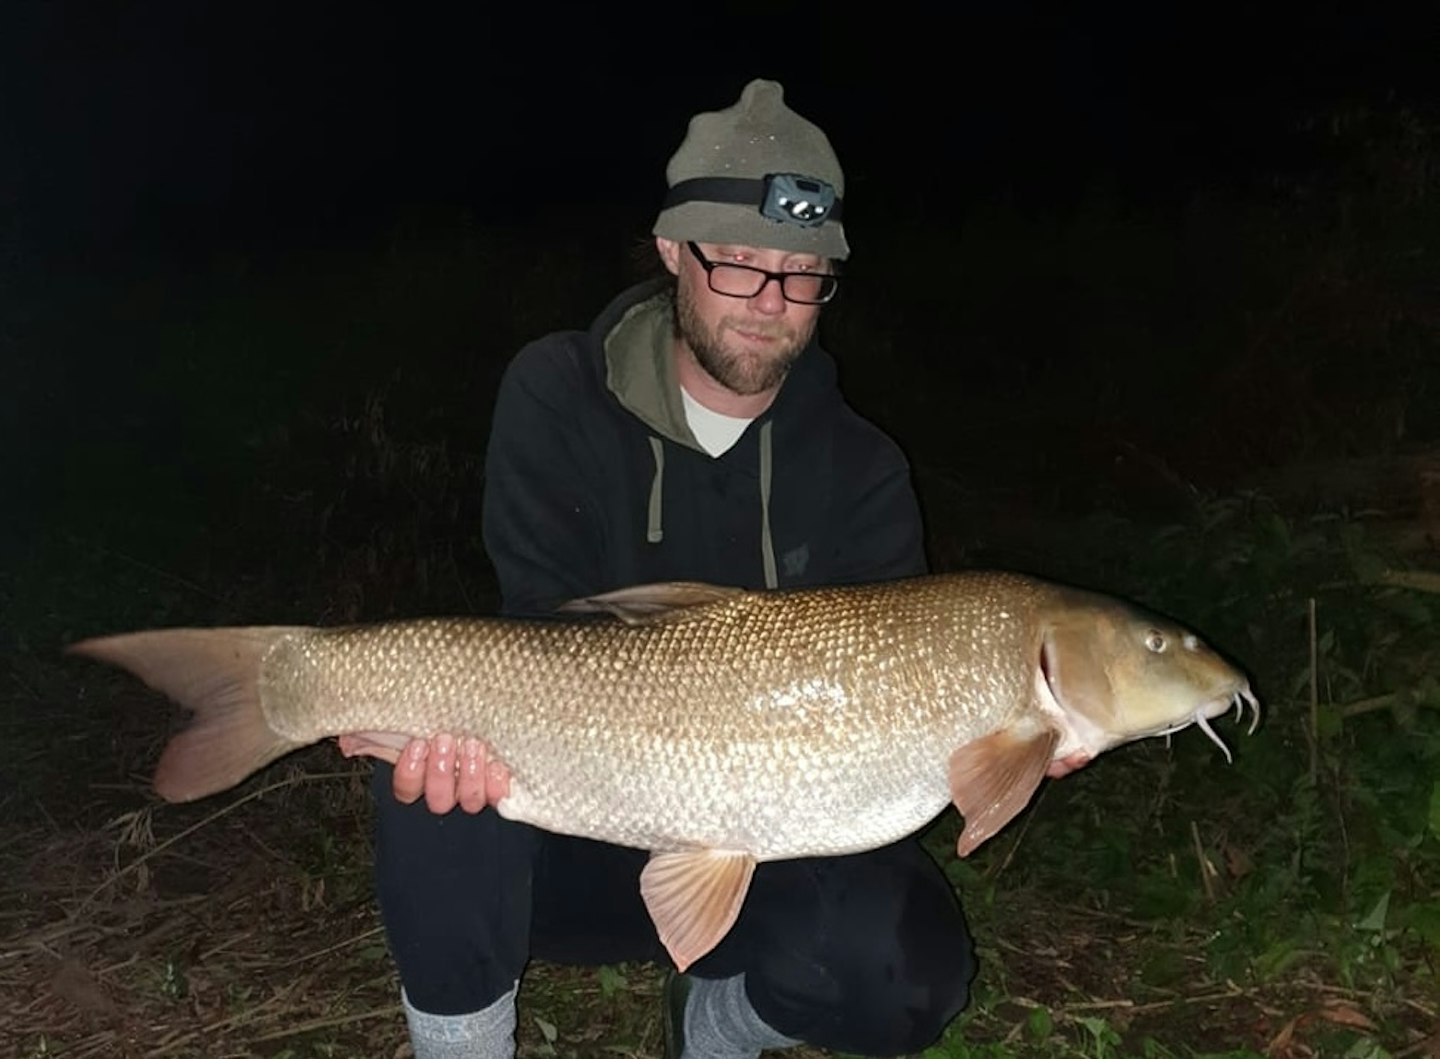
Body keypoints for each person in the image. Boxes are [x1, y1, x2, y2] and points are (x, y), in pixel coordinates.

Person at [344, 79, 1081, 1059]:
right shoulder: (559, 393)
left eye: (801, 274)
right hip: (574, 815)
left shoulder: (863, 470)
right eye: (738, 264)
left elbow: (902, 752)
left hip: (765, 841)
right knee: (431, 797)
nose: (769, 305)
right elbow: (543, 629)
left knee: (905, 971)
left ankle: (717, 1033)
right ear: (670, 252)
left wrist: (1012, 745)